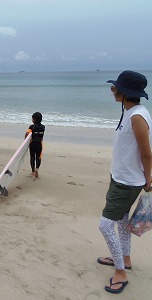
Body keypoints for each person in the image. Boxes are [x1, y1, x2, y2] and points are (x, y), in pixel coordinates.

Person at [97, 70, 151, 294]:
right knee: (121, 221)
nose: (112, 91)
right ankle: (125, 259)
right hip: (120, 176)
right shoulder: (129, 111)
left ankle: (121, 272)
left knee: (105, 224)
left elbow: (147, 153)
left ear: (124, 92)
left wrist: (149, 177)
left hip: (127, 182)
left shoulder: (137, 116)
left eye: (115, 88)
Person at [25, 112, 45, 178]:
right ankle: (37, 169)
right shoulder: (43, 127)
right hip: (40, 144)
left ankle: (33, 171)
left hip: (32, 144)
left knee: (32, 157)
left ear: (34, 119)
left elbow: (27, 133)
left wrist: (25, 140)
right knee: (38, 157)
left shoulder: (32, 127)